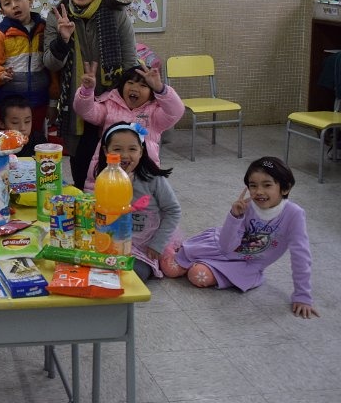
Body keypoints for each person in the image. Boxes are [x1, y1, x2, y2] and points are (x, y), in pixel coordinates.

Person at [163, 156, 319, 318]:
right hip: (219, 249)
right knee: (170, 269)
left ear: (285, 188)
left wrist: (302, 296)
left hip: (246, 266)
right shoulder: (247, 206)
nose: (259, 191)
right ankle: (178, 251)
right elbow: (225, 247)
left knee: (197, 275)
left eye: (267, 185)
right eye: (253, 185)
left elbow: (301, 256)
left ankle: (195, 263)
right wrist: (234, 216)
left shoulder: (294, 214)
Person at [44, 0, 136, 189]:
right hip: (76, 108)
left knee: (116, 173)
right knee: (82, 173)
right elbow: (51, 63)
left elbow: (129, 64)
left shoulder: (116, 14)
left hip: (112, 105)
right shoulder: (57, 16)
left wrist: (121, 104)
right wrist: (63, 39)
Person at [74, 62, 183, 191]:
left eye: (143, 85)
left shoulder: (155, 112)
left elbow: (176, 111)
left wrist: (161, 89)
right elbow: (86, 111)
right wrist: (86, 91)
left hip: (143, 175)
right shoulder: (110, 104)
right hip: (107, 172)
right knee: (102, 199)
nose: (135, 88)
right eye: (130, 83)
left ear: (151, 93)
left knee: (141, 201)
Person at [97, 122, 181, 281]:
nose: (125, 155)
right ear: (106, 151)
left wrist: (157, 244)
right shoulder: (105, 178)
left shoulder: (154, 179)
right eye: (117, 149)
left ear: (141, 151)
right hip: (114, 240)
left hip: (145, 245)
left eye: (132, 149)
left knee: (133, 273)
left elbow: (173, 210)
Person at [0, 0, 53, 131]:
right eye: (7, 4)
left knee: (36, 141)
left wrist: (53, 102)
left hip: (39, 102)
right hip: (9, 106)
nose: (14, 5)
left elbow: (53, 70)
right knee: (9, 142)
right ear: (2, 11)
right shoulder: (1, 35)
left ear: (30, 0)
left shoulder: (45, 30)